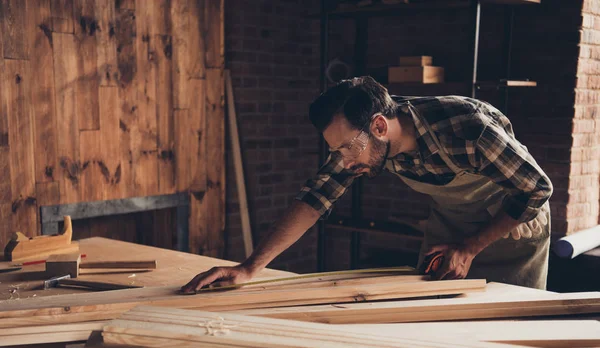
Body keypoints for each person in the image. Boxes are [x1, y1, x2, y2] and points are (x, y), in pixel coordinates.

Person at [181, 76, 553, 293]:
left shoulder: (468, 128)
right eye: (336, 149)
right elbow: (316, 197)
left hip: (512, 221)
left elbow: (536, 188)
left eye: (347, 148)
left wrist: (471, 246)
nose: (343, 159)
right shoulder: (362, 142)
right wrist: (249, 268)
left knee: (506, 323)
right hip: (451, 222)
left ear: (378, 125)